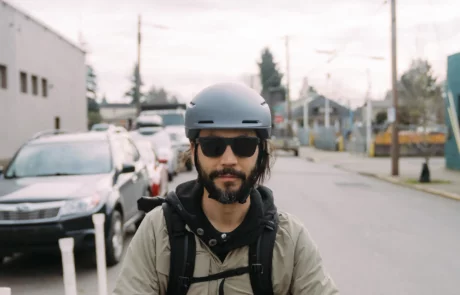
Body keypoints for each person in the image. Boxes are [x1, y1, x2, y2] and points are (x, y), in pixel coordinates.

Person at [113, 83, 339, 295]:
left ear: (261, 153)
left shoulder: (290, 239)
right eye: (213, 146)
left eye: (244, 145)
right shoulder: (158, 231)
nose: (228, 160)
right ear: (193, 151)